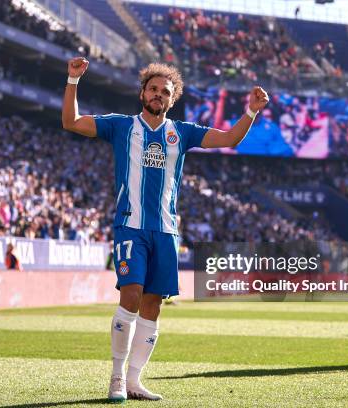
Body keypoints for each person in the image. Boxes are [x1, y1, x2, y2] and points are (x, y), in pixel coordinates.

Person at [62, 57, 269, 402]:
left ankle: (134, 380)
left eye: (165, 92)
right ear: (142, 92)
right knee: (130, 295)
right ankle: (115, 378)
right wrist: (72, 81)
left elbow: (231, 138)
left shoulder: (182, 133)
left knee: (153, 304)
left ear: (172, 100)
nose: (158, 94)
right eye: (153, 89)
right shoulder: (121, 126)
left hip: (166, 231)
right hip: (131, 225)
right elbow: (69, 121)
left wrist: (250, 112)